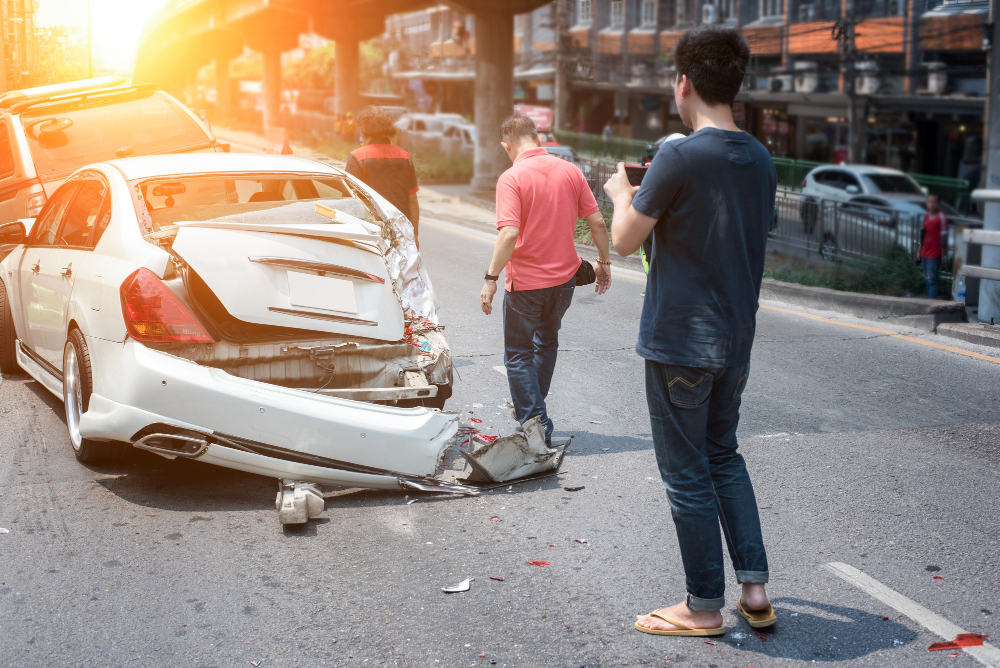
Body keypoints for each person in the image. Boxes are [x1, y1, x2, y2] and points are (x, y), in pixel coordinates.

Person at [603, 26, 777, 637]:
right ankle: (753, 590)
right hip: (735, 343)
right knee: (723, 455)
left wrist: (622, 191)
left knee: (686, 475)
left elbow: (626, 242)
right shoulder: (759, 157)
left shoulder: (679, 155)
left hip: (680, 343)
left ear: (684, 83)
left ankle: (703, 606)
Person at [480, 113, 612, 444]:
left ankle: (536, 423)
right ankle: (531, 407)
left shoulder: (512, 178)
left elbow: (509, 233)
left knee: (519, 353)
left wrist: (491, 278)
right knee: (547, 342)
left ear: (505, 146)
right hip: (564, 283)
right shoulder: (570, 171)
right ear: (537, 138)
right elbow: (597, 222)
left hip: (525, 285)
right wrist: (604, 263)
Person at [345, 106, 420, 240]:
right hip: (401, 230)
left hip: (371, 230)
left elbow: (349, 201)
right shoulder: (405, 157)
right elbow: (412, 202)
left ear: (363, 131)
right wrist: (414, 236)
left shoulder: (358, 157)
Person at [920, 192, 948, 299]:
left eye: (934, 202)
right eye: (929, 202)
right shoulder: (926, 217)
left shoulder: (941, 218)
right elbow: (923, 234)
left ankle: (930, 305)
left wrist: (942, 256)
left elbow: (944, 238)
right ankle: (928, 302)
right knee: (927, 279)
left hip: (934, 254)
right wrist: (919, 251)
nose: (932, 205)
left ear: (939, 204)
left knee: (932, 280)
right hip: (924, 253)